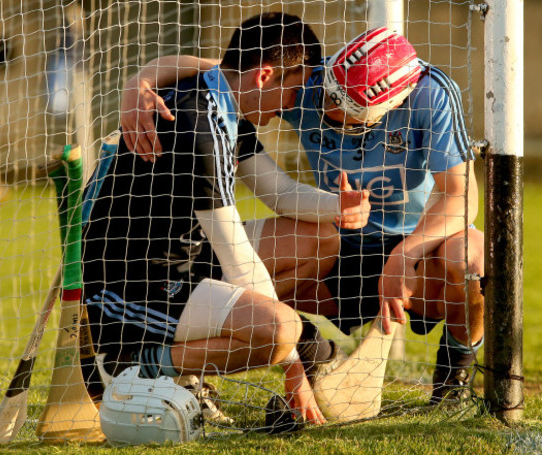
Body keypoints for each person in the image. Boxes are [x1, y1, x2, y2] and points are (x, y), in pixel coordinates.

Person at [120, 27, 485, 404]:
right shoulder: (307, 79)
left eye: (344, 110)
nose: (327, 108)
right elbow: (221, 71)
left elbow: (460, 197)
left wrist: (404, 255)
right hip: (341, 247)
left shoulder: (433, 93)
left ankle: (454, 375)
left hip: (417, 252)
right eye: (327, 95)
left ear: (385, 110)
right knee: (268, 260)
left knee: (472, 257)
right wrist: (139, 83)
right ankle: (295, 348)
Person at [82, 13, 371, 425]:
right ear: (264, 76)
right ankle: (130, 363)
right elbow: (237, 258)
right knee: (279, 330)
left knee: (318, 239)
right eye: (293, 88)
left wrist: (340, 208)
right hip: (130, 287)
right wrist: (294, 367)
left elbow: (280, 192)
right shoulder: (199, 129)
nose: (294, 102)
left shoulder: (222, 98)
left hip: (184, 258)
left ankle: (196, 364)